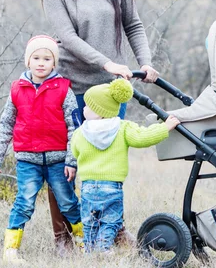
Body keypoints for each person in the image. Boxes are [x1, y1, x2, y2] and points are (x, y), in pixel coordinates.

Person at [41, 0, 160, 251]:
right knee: (66, 162)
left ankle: (115, 229)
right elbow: (67, 37)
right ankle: (63, 236)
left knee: (108, 161)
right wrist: (106, 62)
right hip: (71, 88)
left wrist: (145, 61)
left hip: (110, 91)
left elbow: (133, 24)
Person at [0, 35, 83, 262]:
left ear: (54, 63)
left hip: (58, 159)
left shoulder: (63, 89)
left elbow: (74, 128)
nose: (41, 63)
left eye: (47, 58)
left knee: (68, 201)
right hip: (27, 160)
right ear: (27, 61)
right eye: (36, 58)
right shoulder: (17, 89)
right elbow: (5, 125)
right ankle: (10, 250)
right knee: (24, 201)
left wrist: (71, 160)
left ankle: (82, 240)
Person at [71, 79, 180, 252]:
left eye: (87, 106)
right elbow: (143, 138)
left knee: (90, 221)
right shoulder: (122, 128)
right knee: (111, 221)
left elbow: (75, 152)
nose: (83, 109)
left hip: (88, 187)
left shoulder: (79, 133)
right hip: (112, 187)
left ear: (100, 111)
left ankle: (90, 251)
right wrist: (165, 127)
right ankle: (103, 248)